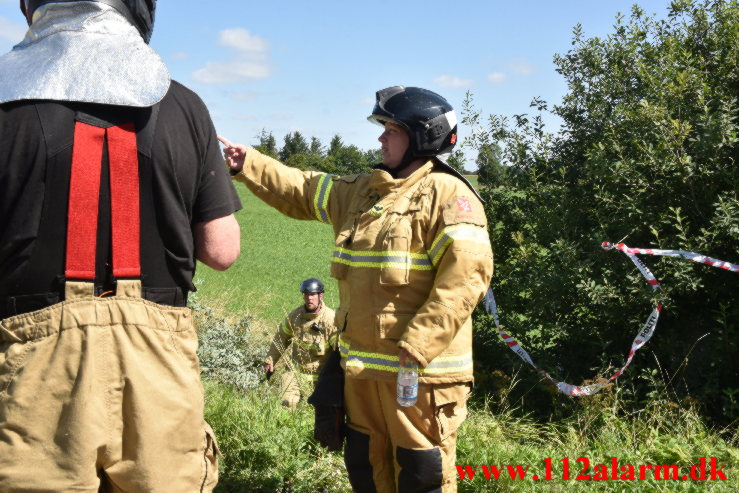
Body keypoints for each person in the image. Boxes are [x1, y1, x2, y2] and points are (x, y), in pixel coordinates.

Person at [0, 1, 241, 491]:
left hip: (33, 366)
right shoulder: (185, 106)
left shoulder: (6, 105)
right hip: (158, 363)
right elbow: (221, 249)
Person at [221, 86, 493, 493]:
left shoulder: (448, 195)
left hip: (420, 378)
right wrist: (248, 164)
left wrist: (418, 344)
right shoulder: (364, 191)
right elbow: (303, 188)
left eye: (392, 129)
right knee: (367, 471)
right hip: (363, 374)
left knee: (422, 476)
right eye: (382, 128)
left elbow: (466, 277)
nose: (381, 137)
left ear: (423, 137)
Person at [264, 277, 337, 408]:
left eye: (313, 294)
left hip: (320, 375)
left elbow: (339, 350)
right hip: (295, 371)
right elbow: (280, 338)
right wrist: (270, 361)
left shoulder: (330, 319)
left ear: (321, 296)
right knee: (288, 402)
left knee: (317, 409)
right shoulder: (295, 316)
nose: (309, 298)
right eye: (306, 294)